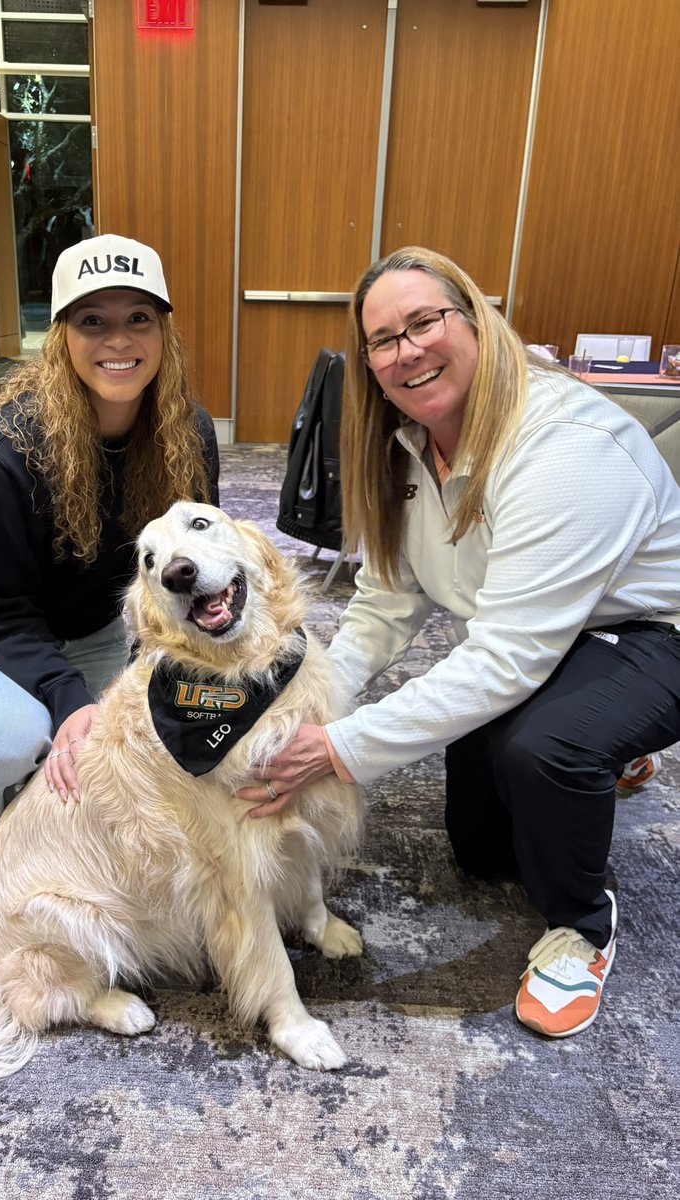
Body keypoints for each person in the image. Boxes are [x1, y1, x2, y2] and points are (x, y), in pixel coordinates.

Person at [240, 246, 680, 1038]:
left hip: (650, 633)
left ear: (476, 319)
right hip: (544, 632)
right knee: (481, 848)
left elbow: (509, 655)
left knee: (542, 751)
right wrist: (309, 696)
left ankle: (582, 926)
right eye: (382, 339)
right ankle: (598, 743)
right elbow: (386, 602)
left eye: (424, 322)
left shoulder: (566, 446)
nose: (406, 351)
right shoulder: (405, 442)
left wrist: (336, 746)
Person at [0, 234, 220, 895]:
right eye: (94, 320)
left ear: (162, 332)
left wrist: (202, 667)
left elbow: (193, 569)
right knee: (11, 738)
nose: (119, 340)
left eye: (137, 319)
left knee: (139, 753)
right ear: (62, 335)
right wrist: (67, 702)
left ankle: (39, 765)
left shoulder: (190, 434)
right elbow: (2, 610)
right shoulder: (4, 452)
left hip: (92, 629)